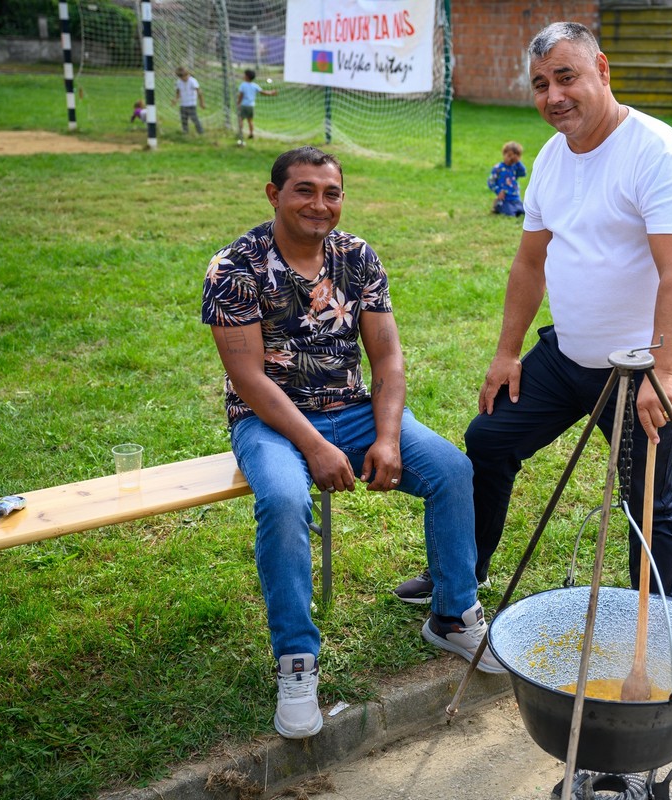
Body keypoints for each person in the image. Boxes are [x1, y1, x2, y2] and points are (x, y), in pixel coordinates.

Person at [394, 22, 672, 604]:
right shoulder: (550, 158)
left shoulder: (658, 154)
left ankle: (657, 621)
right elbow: (529, 263)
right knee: (488, 440)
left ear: (602, 70)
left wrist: (663, 372)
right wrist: (506, 353)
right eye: (541, 85)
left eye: (566, 78)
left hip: (642, 364)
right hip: (566, 355)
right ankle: (463, 573)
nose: (554, 96)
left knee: (645, 495)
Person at [202, 146, 503, 740]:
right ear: (274, 195)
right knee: (284, 501)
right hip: (269, 421)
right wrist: (314, 446)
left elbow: (387, 357)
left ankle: (452, 616)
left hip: (355, 409)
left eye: (331, 193)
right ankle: (297, 661)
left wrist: (387, 436)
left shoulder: (357, 256)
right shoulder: (233, 267)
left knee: (451, 470)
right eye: (304, 190)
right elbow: (249, 378)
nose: (320, 204)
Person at [236, 69, 277, 144]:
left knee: (240, 119)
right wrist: (271, 93)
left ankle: (240, 133)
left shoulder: (243, 85)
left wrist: (238, 103)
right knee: (250, 120)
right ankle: (251, 134)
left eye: (244, 75)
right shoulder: (255, 85)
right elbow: (263, 92)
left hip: (244, 105)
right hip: (251, 106)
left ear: (247, 76)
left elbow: (241, 95)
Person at [488, 141, 527, 216]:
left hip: (515, 198)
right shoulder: (498, 168)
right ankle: (498, 206)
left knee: (523, 211)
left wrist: (518, 162)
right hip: (504, 199)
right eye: (509, 156)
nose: (510, 159)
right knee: (511, 213)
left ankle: (514, 207)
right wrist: (498, 191)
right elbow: (491, 181)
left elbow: (523, 173)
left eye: (514, 158)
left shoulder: (515, 168)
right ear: (504, 154)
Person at [174, 66, 205, 135]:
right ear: (180, 77)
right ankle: (185, 132)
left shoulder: (193, 81)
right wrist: (175, 100)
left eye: (186, 75)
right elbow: (178, 92)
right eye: (182, 77)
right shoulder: (179, 82)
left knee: (194, 119)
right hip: (183, 104)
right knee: (184, 119)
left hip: (191, 104)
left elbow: (199, 92)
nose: (185, 78)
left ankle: (201, 132)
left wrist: (201, 102)